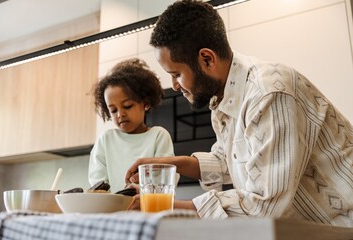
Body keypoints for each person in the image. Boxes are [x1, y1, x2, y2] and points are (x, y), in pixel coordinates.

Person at [125, 0, 353, 227]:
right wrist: (169, 163)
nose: (174, 85)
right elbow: (229, 161)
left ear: (207, 59)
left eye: (176, 74)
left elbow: (264, 204)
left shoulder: (268, 93)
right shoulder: (224, 98)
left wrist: (164, 205)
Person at [89, 58, 174, 193]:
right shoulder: (105, 140)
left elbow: (163, 180)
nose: (120, 114)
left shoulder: (159, 136)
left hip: (149, 210)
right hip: (113, 211)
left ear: (145, 103)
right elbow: (98, 183)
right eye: (113, 110)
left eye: (127, 106)